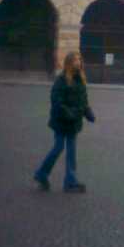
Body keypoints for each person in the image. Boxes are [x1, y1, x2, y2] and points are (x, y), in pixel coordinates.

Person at [33, 51, 95, 193]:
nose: (78, 62)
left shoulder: (80, 79)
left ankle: (70, 182)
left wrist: (88, 112)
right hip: (61, 121)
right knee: (58, 147)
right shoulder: (61, 80)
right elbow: (56, 101)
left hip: (73, 123)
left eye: (79, 60)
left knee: (72, 151)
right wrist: (69, 113)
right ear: (68, 63)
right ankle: (41, 174)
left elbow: (83, 100)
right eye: (75, 60)